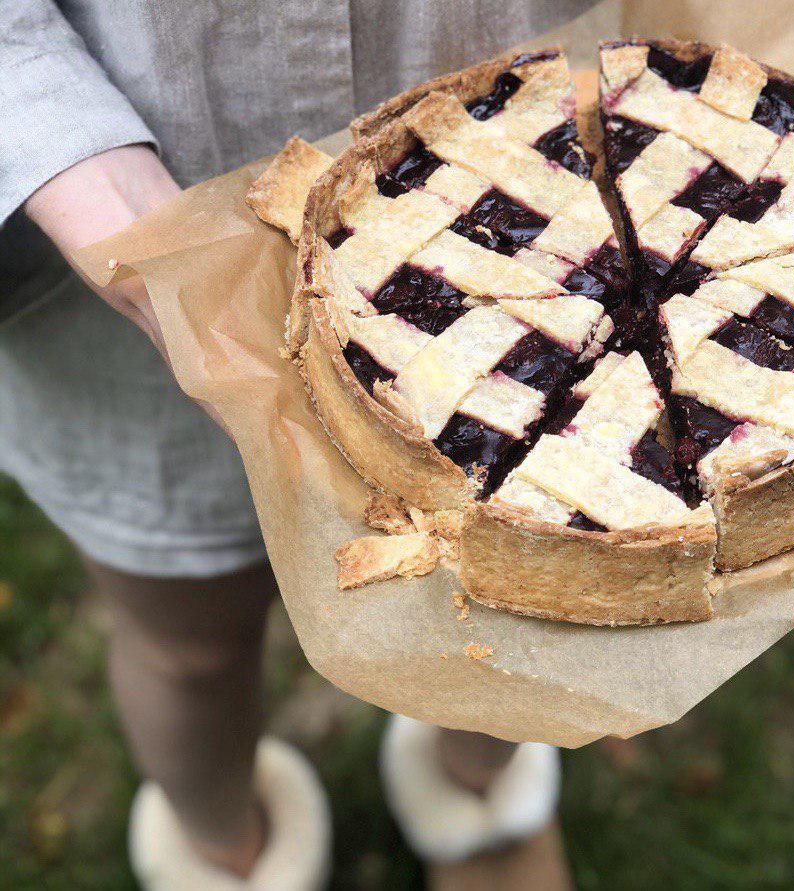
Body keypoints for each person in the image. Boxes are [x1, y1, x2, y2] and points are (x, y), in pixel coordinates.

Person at [0, 2, 598, 888]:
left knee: (524, 592)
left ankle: (477, 801)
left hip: (529, 194)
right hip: (120, 230)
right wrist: (102, 194)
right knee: (187, 639)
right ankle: (224, 851)